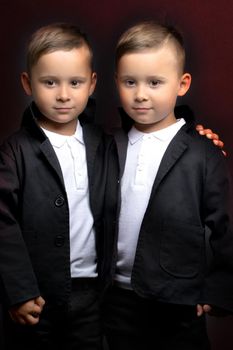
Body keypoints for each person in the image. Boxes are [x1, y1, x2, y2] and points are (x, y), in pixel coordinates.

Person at [103, 21, 233, 350]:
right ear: (116, 81)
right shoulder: (107, 146)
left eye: (155, 82)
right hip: (117, 297)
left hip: (178, 300)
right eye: (130, 82)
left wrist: (219, 288)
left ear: (182, 83)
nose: (141, 94)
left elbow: (223, 224)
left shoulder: (203, 151)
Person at [0, 22, 116, 350]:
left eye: (75, 82)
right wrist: (18, 291)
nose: (63, 94)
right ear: (28, 83)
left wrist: (191, 133)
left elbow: (148, 140)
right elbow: (3, 224)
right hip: (36, 297)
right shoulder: (15, 150)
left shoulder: (104, 143)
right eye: (49, 82)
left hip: (91, 296)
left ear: (91, 83)